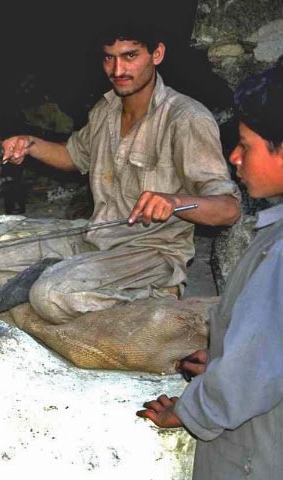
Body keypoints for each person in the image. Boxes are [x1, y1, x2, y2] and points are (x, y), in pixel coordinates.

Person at [0, 22, 241, 323]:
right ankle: (75, 286)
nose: (118, 70)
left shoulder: (186, 118)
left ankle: (157, 294)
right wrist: (30, 143)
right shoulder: (105, 110)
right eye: (108, 58)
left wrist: (175, 202)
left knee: (50, 296)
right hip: (95, 237)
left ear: (157, 54)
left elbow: (228, 209)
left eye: (130, 56)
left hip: (148, 252)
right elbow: (73, 156)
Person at [136, 60, 283, 478]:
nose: (234, 157)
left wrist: (187, 410)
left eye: (246, 146)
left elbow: (248, 377)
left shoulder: (280, 254)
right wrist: (223, 354)